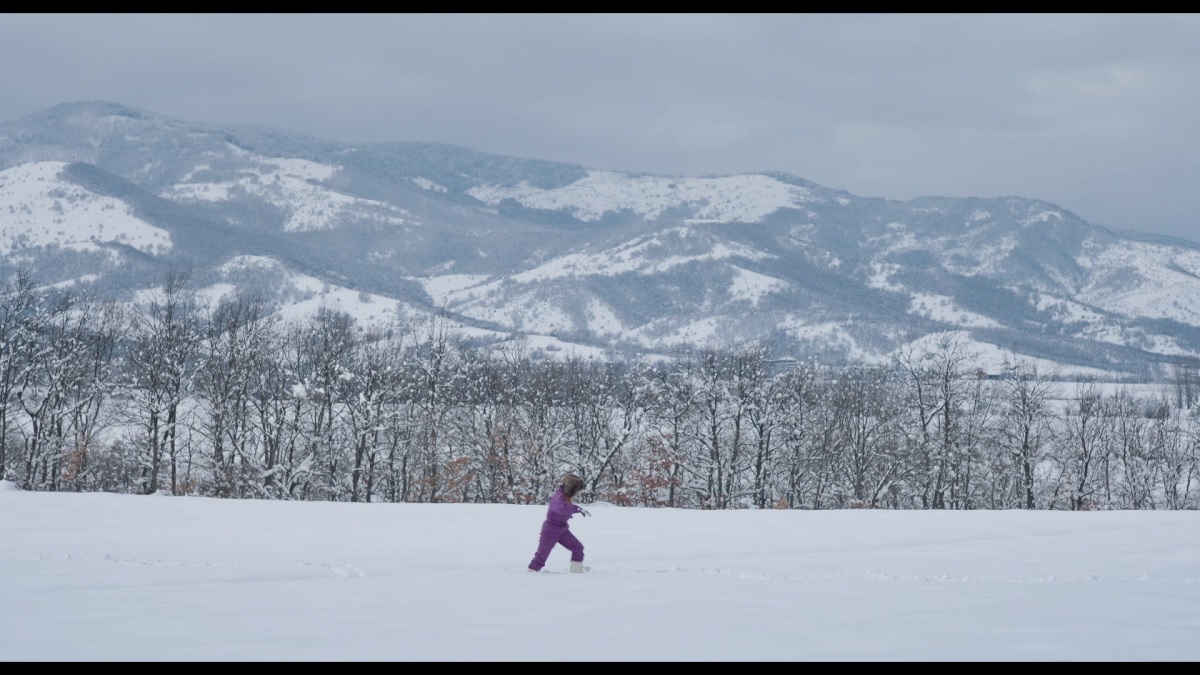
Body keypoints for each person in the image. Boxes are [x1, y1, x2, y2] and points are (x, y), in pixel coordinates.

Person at [527, 473, 591, 573]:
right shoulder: (558, 497)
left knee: (578, 548)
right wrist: (577, 509)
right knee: (541, 556)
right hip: (550, 530)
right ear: (571, 488)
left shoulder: (564, 496)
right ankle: (531, 572)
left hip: (562, 529)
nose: (577, 493)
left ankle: (576, 572)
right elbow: (561, 508)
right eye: (577, 490)